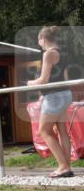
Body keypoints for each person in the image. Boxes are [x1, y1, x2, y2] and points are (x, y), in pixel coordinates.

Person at [27, 26, 74, 178]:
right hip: (65, 94)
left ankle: (63, 166)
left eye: (39, 40)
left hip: (54, 97)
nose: (38, 42)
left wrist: (30, 83)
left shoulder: (48, 54)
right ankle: (66, 167)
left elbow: (44, 80)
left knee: (44, 131)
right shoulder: (63, 53)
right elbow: (65, 78)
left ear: (43, 39)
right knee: (62, 131)